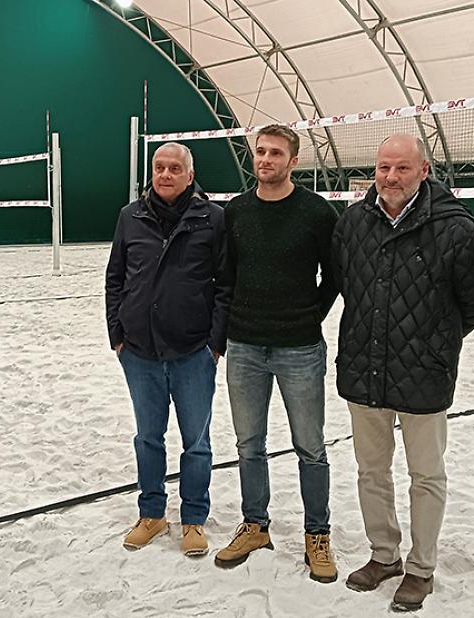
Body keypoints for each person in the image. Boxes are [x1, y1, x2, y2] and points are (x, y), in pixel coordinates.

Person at [332, 133, 474, 611]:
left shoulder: (455, 229)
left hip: (424, 372)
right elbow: (345, 283)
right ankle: (384, 555)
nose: (390, 178)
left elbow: (473, 302)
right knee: (371, 472)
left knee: (426, 476)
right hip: (364, 368)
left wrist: (434, 341)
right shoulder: (354, 222)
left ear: (424, 171)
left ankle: (421, 568)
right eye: (383, 168)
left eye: (401, 168)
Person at [212, 124, 340, 583]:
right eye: (260, 152)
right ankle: (256, 525)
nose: (265, 159)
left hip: (299, 348)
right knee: (249, 444)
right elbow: (225, 276)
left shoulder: (316, 213)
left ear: (293, 160)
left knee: (311, 447)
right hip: (244, 346)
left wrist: (310, 317)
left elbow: (336, 276)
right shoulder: (236, 212)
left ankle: (317, 534)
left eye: (275, 153)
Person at [104, 142, 233, 557]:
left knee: (196, 442)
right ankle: (152, 514)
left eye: (174, 168)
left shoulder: (213, 219)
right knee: (148, 438)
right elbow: (115, 278)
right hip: (139, 352)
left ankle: (193, 519)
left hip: (193, 352)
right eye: (159, 167)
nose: (165, 174)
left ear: (190, 176)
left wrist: (214, 343)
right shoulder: (130, 216)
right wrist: (117, 335)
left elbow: (225, 286)